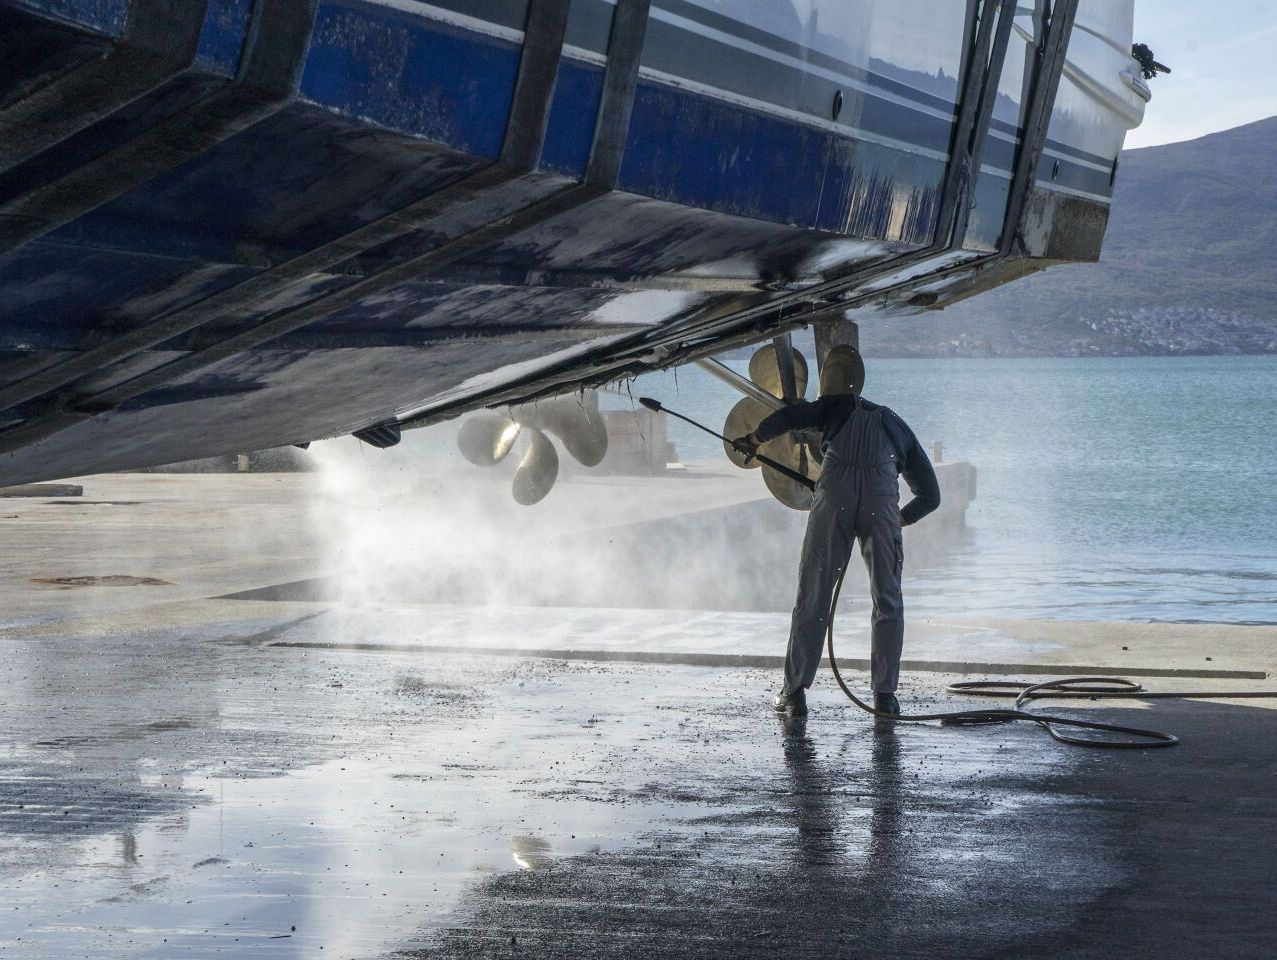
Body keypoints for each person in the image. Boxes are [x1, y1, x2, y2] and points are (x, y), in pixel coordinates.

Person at [733, 347, 940, 718]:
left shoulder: (832, 406)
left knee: (814, 593)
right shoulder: (895, 422)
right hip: (883, 504)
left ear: (829, 384)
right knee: (887, 599)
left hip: (835, 498)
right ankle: (885, 697)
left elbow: (791, 417)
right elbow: (931, 496)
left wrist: (754, 438)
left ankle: (794, 694)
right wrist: (899, 520)